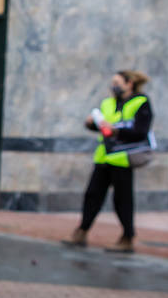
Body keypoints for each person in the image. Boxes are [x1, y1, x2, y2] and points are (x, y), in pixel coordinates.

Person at [63, 69, 153, 253]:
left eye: (118, 82)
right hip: (103, 157)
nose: (114, 86)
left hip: (123, 159)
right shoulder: (108, 103)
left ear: (130, 84)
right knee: (92, 195)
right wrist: (91, 123)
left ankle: (128, 237)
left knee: (122, 200)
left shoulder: (141, 102)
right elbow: (102, 128)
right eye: (113, 83)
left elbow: (141, 132)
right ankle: (82, 232)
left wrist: (116, 131)